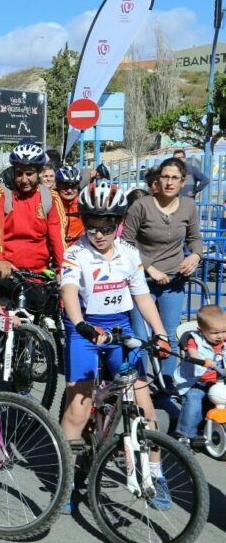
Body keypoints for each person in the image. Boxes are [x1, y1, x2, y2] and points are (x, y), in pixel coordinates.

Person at [59, 183, 172, 512]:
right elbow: (68, 291)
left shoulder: (129, 254)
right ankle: (66, 478)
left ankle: (155, 473)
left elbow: (142, 297)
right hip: (85, 330)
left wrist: (161, 333)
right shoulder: (75, 253)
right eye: (91, 225)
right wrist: (80, 323)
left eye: (107, 226)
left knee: (144, 406)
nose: (98, 233)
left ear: (119, 223)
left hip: (119, 329)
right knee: (78, 409)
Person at [121, 157, 203, 380]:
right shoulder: (142, 206)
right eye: (165, 176)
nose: (169, 182)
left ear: (182, 181)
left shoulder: (188, 206)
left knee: (170, 336)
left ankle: (168, 386)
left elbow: (195, 238)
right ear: (158, 179)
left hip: (174, 282)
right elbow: (125, 243)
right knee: (141, 336)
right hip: (142, 282)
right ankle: (139, 387)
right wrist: (149, 268)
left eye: (174, 178)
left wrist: (195, 255)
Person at [0, 138, 67, 304]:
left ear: (39, 172)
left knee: (53, 319)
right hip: (6, 273)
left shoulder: (50, 198)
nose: (24, 179)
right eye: (19, 173)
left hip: (40, 275)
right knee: (3, 323)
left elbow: (58, 236)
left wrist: (62, 268)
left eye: (29, 174)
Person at [174, 305, 226, 445]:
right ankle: (185, 435)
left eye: (223, 331)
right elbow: (192, 352)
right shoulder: (195, 339)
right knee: (194, 404)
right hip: (197, 382)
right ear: (201, 331)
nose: (220, 336)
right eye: (215, 333)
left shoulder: (224, 341)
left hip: (220, 381)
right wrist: (201, 360)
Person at [55, 164, 84, 247]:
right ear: (58, 185)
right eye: (65, 186)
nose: (69, 190)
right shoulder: (51, 201)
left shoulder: (83, 203)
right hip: (55, 249)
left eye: (74, 186)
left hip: (77, 250)